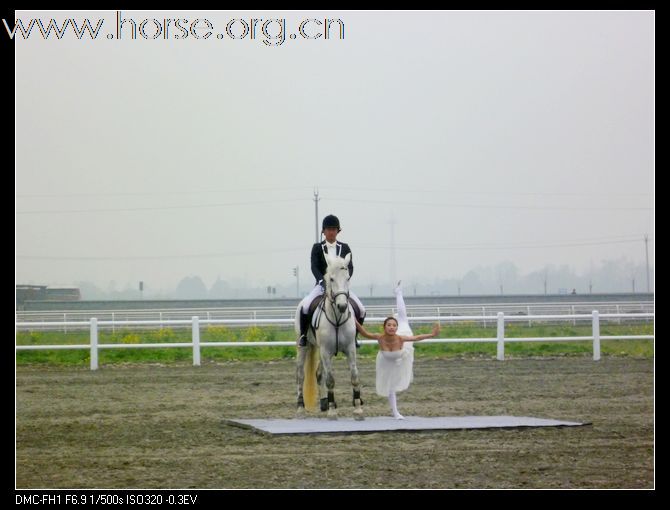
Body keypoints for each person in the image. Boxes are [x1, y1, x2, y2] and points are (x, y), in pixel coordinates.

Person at [355, 282, 440, 419]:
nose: (392, 327)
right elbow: (364, 333)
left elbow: (417, 337)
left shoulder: (400, 337)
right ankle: (395, 412)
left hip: (402, 355)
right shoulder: (380, 337)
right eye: (389, 325)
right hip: (387, 362)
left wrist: (431, 334)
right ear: (384, 327)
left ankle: (398, 292)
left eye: (394, 325)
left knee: (403, 319)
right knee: (390, 387)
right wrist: (353, 320)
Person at [296, 214, 366, 347]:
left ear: (338, 231)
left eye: (334, 229)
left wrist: (345, 280)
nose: (331, 232)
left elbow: (350, 266)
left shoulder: (345, 247)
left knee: (361, 310)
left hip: (340, 287)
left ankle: (354, 337)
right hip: (322, 286)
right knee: (305, 307)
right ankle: (304, 335)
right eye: (328, 229)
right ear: (324, 231)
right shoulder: (317, 247)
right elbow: (314, 266)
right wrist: (321, 280)